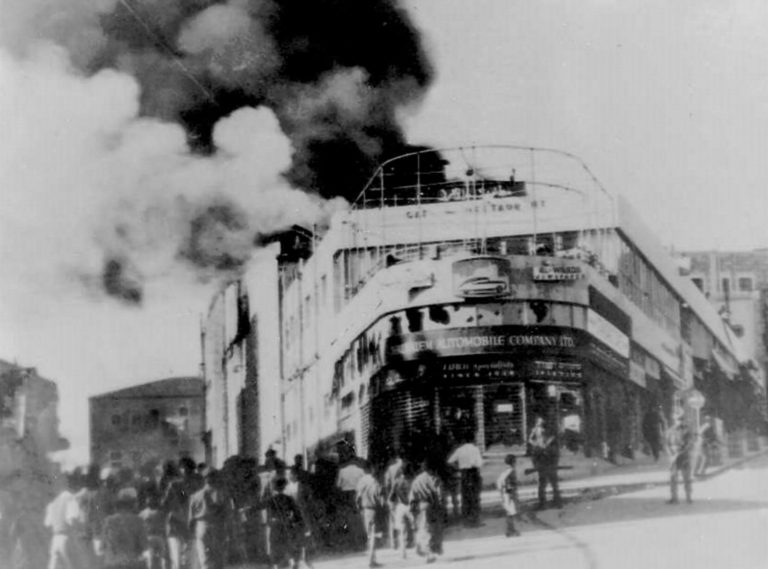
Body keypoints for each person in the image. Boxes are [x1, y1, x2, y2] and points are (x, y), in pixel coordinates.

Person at [44, 472, 94, 569]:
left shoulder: (53, 503)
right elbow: (72, 520)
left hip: (55, 539)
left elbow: (47, 523)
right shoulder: (70, 499)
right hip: (67, 539)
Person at [188, 468, 232, 569]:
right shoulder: (223, 494)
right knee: (219, 558)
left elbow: (190, 519)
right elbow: (228, 514)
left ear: (204, 479)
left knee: (204, 559)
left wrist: (191, 532)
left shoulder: (195, 495)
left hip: (202, 526)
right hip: (218, 526)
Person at [409, 455, 444, 564]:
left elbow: (412, 497)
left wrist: (412, 510)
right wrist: (441, 506)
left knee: (424, 529)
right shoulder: (434, 479)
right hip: (433, 506)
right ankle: (430, 553)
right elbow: (440, 495)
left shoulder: (416, 480)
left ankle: (423, 549)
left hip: (421, 506)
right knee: (433, 529)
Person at [101, 489, 147, 569]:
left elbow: (102, 546)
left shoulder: (108, 521)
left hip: (112, 563)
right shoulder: (138, 521)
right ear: (133, 505)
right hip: (132, 563)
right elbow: (144, 545)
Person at [266, 477, 305, 569]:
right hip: (288, 525)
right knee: (290, 546)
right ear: (285, 487)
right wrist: (300, 523)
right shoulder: (289, 499)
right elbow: (297, 512)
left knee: (275, 547)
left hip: (276, 526)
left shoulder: (272, 499)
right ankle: (294, 564)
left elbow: (260, 506)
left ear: (275, 487)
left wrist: (247, 510)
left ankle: (275, 565)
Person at [446, 435, 483, 527]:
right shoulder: (475, 449)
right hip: (473, 473)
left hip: (464, 474)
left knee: (465, 497)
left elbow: (450, 461)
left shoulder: (460, 450)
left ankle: (466, 521)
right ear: (472, 439)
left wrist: (458, 469)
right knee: (475, 497)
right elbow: (479, 463)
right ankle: (475, 520)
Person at [528, 417, 562, 509]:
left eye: (542, 423)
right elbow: (530, 440)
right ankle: (542, 502)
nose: (541, 425)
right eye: (539, 423)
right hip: (541, 458)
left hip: (549, 459)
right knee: (542, 482)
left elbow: (553, 439)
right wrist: (537, 444)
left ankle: (557, 501)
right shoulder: (535, 431)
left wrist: (547, 443)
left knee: (553, 481)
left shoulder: (548, 432)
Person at [356, 463, 385, 568]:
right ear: (371, 469)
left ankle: (373, 559)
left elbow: (358, 498)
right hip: (373, 510)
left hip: (365, 510)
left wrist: (359, 508)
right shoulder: (374, 482)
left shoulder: (361, 482)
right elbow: (380, 498)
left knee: (369, 535)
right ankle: (371, 561)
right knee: (372, 536)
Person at [666, 413, 695, 504]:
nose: (679, 421)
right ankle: (674, 498)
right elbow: (667, 444)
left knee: (687, 478)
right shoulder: (670, 431)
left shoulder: (687, 430)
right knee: (673, 478)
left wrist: (685, 449)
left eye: (681, 419)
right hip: (674, 456)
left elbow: (691, 442)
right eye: (678, 419)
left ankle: (688, 497)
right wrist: (671, 454)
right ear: (674, 420)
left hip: (684, 456)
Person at [387, 464, 413, 559]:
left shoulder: (396, 483)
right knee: (415, 526)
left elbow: (391, 498)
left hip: (400, 507)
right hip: (409, 506)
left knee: (401, 530)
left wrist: (392, 507)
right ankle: (421, 547)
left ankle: (403, 552)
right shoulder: (409, 482)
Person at [140, 488, 167, 569]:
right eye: (149, 499)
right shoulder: (142, 513)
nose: (150, 501)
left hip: (159, 536)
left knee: (161, 560)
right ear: (146, 501)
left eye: (152, 499)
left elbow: (164, 526)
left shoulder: (160, 513)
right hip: (149, 537)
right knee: (150, 560)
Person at [495, 455, 520, 537]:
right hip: (509, 494)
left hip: (504, 493)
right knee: (511, 512)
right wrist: (512, 494)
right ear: (513, 462)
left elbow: (499, 482)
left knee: (509, 512)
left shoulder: (505, 471)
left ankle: (510, 529)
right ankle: (511, 530)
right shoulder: (511, 472)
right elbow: (510, 484)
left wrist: (501, 492)